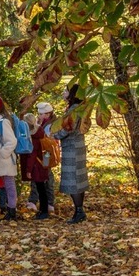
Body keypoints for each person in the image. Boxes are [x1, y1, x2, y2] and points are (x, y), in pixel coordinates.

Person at [52, 83, 89, 223]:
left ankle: (79, 211)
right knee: (78, 179)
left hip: (72, 148)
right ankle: (79, 210)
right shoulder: (80, 108)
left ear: (72, 94)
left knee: (73, 180)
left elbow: (68, 128)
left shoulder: (74, 110)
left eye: (66, 91)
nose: (63, 93)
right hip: (77, 146)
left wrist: (54, 136)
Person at [25, 104, 58, 221]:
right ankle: (43, 207)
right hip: (43, 161)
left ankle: (45, 208)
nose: (39, 115)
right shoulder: (40, 129)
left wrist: (28, 170)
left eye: (41, 113)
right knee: (41, 185)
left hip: (41, 162)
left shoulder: (37, 134)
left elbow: (33, 155)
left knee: (42, 185)